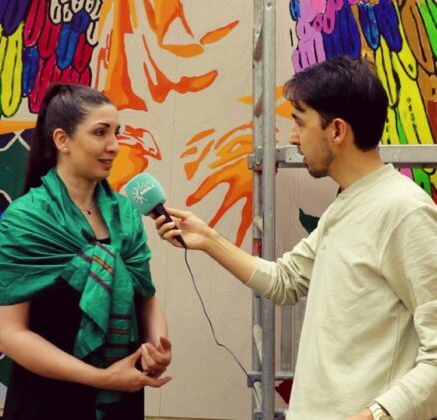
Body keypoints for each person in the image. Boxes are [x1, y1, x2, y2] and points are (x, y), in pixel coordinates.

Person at [155, 56, 437, 420]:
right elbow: (285, 281)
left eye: (300, 122)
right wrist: (207, 238)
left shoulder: (405, 211)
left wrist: (373, 415)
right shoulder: (348, 202)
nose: (292, 137)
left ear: (337, 131)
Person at [0, 83, 172, 420]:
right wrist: (101, 378)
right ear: (62, 140)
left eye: (116, 132)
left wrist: (157, 347)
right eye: (100, 133)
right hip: (47, 401)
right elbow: (8, 334)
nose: (114, 145)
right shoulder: (25, 220)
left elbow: (146, 298)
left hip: (123, 393)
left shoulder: (126, 215)